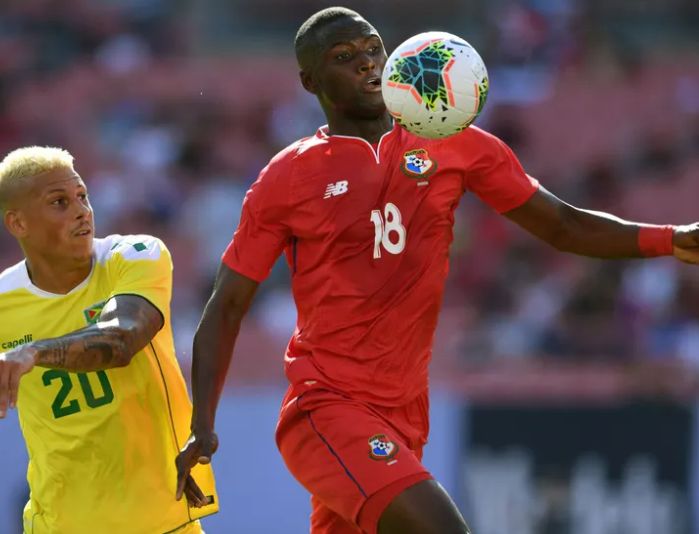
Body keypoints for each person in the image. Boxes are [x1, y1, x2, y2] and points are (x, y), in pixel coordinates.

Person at [174, 7, 699, 534]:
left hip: (405, 417)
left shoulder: (451, 138)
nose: (367, 64)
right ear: (310, 81)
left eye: (373, 48)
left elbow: (563, 225)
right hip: (326, 408)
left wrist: (670, 239)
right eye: (344, 57)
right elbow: (227, 305)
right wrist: (202, 426)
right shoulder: (286, 177)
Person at [0, 146, 218, 534]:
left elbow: (122, 338)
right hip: (59, 523)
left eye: (82, 196)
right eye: (59, 202)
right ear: (17, 224)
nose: (82, 211)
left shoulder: (134, 256)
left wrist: (33, 352)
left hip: (161, 518)